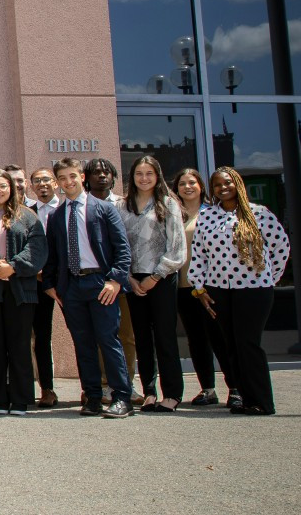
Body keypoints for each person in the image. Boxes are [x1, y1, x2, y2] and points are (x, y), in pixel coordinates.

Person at [190, 166, 291, 416]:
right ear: (212, 190)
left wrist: (269, 278)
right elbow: (199, 255)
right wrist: (199, 288)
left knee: (248, 343)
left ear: (237, 184)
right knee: (231, 345)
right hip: (218, 290)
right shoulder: (207, 216)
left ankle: (262, 402)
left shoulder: (259, 214)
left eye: (228, 183)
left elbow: (281, 247)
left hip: (253, 289)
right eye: (217, 185)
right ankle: (246, 399)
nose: (223, 188)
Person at [41, 157, 133, 419]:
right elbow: (53, 256)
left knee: (108, 339)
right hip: (72, 287)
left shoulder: (103, 209)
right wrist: (50, 286)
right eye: (62, 178)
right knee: (82, 344)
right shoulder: (58, 216)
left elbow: (122, 249)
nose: (68, 182)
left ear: (82, 177)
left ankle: (121, 397)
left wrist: (115, 280)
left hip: (100, 283)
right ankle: (92, 396)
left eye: (72, 176)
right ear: (58, 183)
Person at [119, 156, 186, 413]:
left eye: (149, 173)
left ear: (157, 176)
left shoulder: (168, 204)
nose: (144, 178)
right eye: (139, 173)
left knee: (165, 338)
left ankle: (172, 394)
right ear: (132, 176)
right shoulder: (123, 206)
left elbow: (177, 248)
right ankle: (149, 391)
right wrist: (130, 277)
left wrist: (155, 277)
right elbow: (120, 245)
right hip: (133, 280)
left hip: (162, 279)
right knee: (142, 339)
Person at [0, 167, 47, 415]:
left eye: (3, 186)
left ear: (12, 188)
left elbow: (38, 247)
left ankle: (20, 399)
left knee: (19, 344)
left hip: (20, 288)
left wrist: (13, 267)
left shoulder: (27, 216)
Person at [172, 167, 233, 408]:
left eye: (192, 182)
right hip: (183, 286)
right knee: (196, 340)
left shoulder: (214, 213)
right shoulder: (175, 215)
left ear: (201, 187)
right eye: (182, 184)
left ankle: (235, 387)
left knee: (219, 338)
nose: (187, 187)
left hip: (209, 287)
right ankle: (208, 389)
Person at [87, 156, 137, 387]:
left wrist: (120, 277)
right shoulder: (81, 205)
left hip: (121, 281)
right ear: (86, 178)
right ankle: (104, 384)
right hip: (93, 282)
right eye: (96, 172)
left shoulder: (125, 204)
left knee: (125, 335)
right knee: (97, 336)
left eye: (107, 172)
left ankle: (126, 382)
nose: (102, 176)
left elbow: (127, 245)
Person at [28, 165, 63, 407]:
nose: (42, 185)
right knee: (42, 335)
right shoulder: (27, 212)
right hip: (37, 280)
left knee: (83, 334)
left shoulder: (67, 208)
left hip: (67, 279)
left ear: (55, 183)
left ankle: (91, 388)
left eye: (46, 180)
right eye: (37, 181)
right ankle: (47, 388)